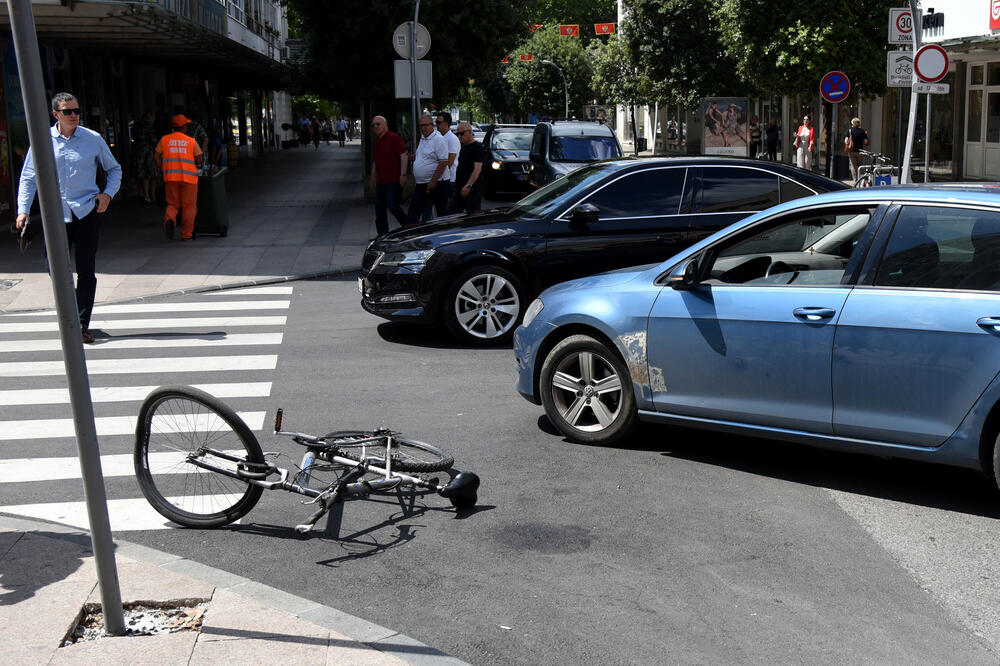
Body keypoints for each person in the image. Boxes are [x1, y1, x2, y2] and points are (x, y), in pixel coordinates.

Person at [16, 92, 122, 344]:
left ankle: (82, 324)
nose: (74, 115)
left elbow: (114, 168)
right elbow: (28, 177)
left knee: (86, 270)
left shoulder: (92, 139)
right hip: (55, 215)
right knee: (54, 268)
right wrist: (23, 210)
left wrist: (107, 194)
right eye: (68, 112)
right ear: (56, 114)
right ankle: (74, 308)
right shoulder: (42, 141)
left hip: (86, 211)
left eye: (76, 111)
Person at [155, 114, 203, 241]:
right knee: (189, 206)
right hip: (189, 179)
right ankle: (186, 234)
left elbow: (156, 156)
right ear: (184, 127)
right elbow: (199, 159)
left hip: (170, 177)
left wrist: (163, 169)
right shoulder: (191, 141)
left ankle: (170, 220)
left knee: (172, 204)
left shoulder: (164, 140)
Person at [405, 114, 449, 226]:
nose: (423, 128)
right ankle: (410, 236)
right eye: (421, 126)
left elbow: (443, 162)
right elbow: (425, 156)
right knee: (413, 213)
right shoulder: (423, 138)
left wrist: (433, 181)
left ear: (432, 125)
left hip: (438, 183)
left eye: (425, 125)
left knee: (442, 214)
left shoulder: (439, 139)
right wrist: (413, 157)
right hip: (422, 184)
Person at [369, 115, 408, 235]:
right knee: (379, 209)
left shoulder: (394, 138)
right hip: (381, 181)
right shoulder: (376, 141)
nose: (375, 126)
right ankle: (382, 235)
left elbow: (403, 155)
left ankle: (408, 228)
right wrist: (372, 177)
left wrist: (403, 174)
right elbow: (376, 161)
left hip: (393, 180)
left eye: (378, 124)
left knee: (393, 206)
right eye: (373, 124)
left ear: (385, 125)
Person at [447, 122, 485, 215]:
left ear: (470, 132)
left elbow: (477, 169)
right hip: (459, 187)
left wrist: (468, 186)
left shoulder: (477, 147)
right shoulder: (463, 147)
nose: (459, 136)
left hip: (472, 190)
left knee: (472, 217)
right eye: (458, 134)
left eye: (462, 133)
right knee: (450, 213)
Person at [435, 112, 460, 217]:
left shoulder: (452, 139)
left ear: (446, 123)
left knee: (448, 211)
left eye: (438, 122)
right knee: (441, 209)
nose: (436, 124)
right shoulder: (440, 137)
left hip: (450, 180)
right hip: (442, 179)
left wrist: (438, 174)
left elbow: (449, 161)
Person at [133, 112, 159, 203]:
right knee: (150, 175)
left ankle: (143, 194)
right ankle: (151, 195)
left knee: (141, 175)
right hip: (148, 154)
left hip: (139, 153)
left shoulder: (136, 127)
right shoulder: (149, 128)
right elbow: (154, 141)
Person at [845, 117, 870, 182]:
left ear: (852, 123)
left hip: (851, 151)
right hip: (860, 151)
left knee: (853, 166)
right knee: (861, 165)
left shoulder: (849, 130)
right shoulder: (862, 131)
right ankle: (864, 180)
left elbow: (846, 141)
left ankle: (855, 181)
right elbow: (866, 142)